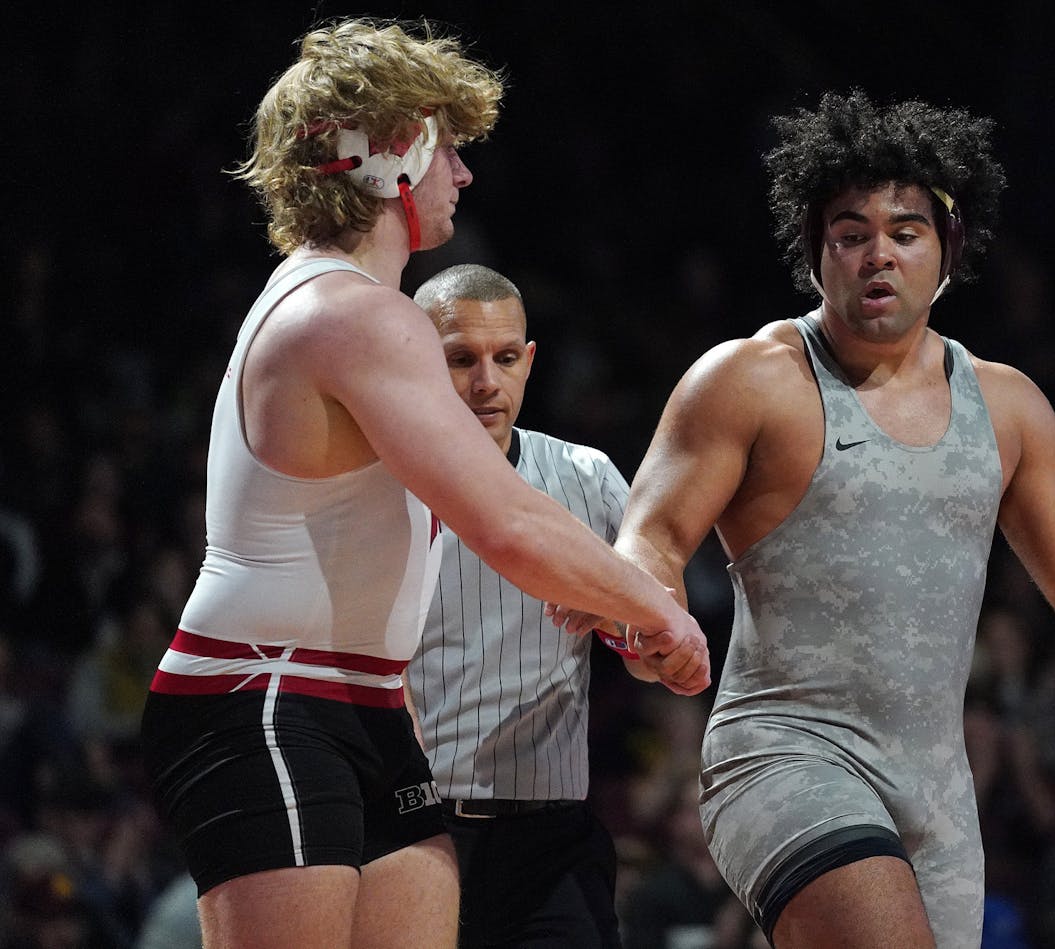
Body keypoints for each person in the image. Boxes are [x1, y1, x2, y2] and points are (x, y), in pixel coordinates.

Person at [602, 90, 1055, 947]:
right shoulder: (751, 379)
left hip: (937, 792)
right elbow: (651, 536)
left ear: (948, 252)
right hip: (786, 754)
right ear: (815, 252)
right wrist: (651, 615)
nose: (877, 255)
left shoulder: (1007, 407)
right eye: (851, 233)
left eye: (905, 232)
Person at [138, 19, 709, 949]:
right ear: (387, 158)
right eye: (448, 149)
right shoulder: (349, 313)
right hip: (264, 694)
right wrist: (658, 608)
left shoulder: (355, 309)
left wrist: (609, 603)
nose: (464, 176)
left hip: (363, 704)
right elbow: (507, 520)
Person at [405, 263, 696, 947]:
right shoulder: (380, 491)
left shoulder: (586, 476)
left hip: (553, 836)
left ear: (529, 361)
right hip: (420, 830)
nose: (486, 382)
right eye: (461, 359)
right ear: (418, 359)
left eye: (505, 358)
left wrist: (629, 630)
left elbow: (663, 657)